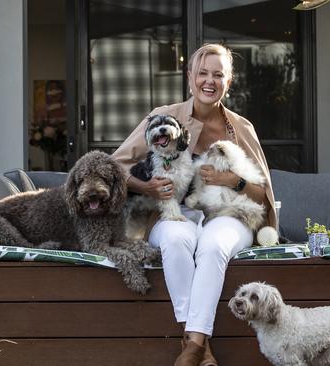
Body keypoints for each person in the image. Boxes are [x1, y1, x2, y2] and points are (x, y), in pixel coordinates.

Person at [113, 43, 277, 366]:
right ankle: (203, 347)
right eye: (202, 73)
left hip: (230, 213)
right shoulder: (164, 118)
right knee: (176, 241)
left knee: (213, 246)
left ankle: (192, 348)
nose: (209, 81)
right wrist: (146, 186)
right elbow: (115, 165)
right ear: (190, 77)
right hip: (175, 212)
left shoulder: (242, 129)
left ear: (228, 82)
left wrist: (231, 180)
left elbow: (262, 195)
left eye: (218, 75)